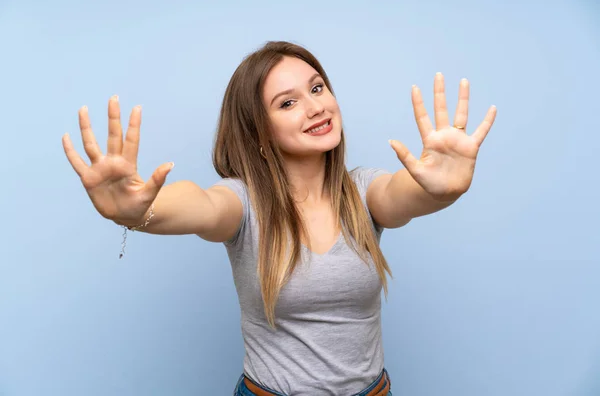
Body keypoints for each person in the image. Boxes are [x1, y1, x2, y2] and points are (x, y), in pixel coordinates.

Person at [61, 41, 496, 396]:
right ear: (260, 131)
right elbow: (199, 205)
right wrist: (139, 211)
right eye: (288, 102)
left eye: (318, 88)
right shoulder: (243, 203)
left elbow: (406, 194)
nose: (315, 107)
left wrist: (442, 187)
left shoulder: (364, 191)